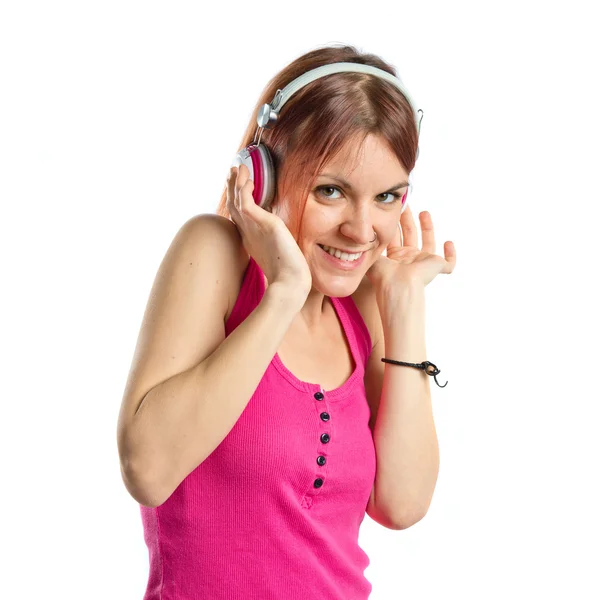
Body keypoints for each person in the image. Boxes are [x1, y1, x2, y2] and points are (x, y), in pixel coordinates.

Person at [117, 43, 456, 600]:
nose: (361, 229)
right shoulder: (214, 257)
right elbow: (148, 470)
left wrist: (405, 307)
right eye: (331, 191)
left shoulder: (365, 303)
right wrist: (284, 292)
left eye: (387, 197)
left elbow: (403, 503)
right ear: (264, 178)